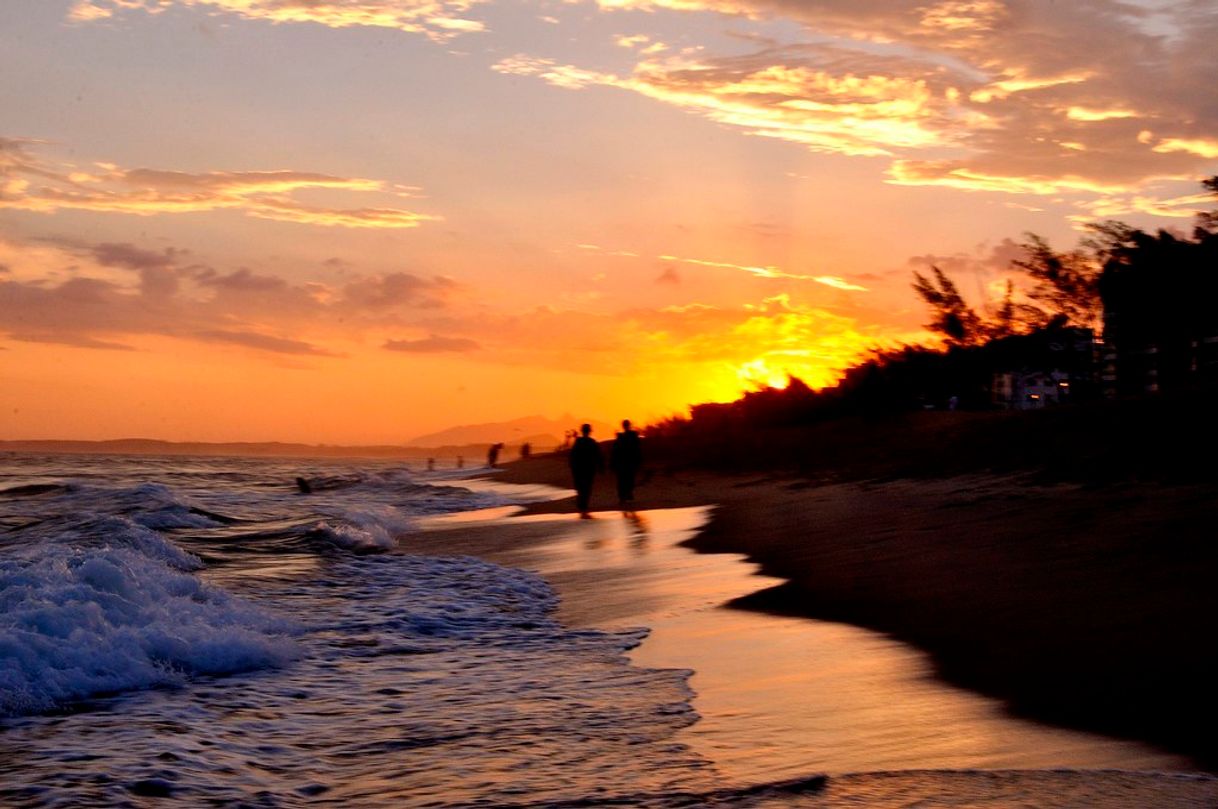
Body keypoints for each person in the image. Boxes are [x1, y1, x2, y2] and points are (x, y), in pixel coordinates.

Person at [568, 423, 603, 518]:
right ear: (589, 431)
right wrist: (601, 467)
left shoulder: (578, 442)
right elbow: (598, 456)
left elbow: (572, 456)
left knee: (580, 487)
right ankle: (583, 505)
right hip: (589, 469)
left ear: (582, 431)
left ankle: (582, 504)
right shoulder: (592, 442)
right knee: (587, 487)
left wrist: (572, 466)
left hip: (579, 469)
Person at [610, 419, 642, 511]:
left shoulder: (622, 437)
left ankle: (623, 496)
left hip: (624, 462)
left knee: (623, 479)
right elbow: (637, 449)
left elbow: (615, 451)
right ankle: (626, 494)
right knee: (628, 479)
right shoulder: (631, 436)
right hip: (629, 462)